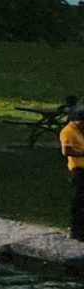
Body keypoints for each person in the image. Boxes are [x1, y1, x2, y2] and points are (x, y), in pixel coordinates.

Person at [61, 101, 84, 242]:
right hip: (78, 170)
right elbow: (67, 150)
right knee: (79, 202)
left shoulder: (80, 131)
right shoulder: (68, 131)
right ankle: (77, 232)